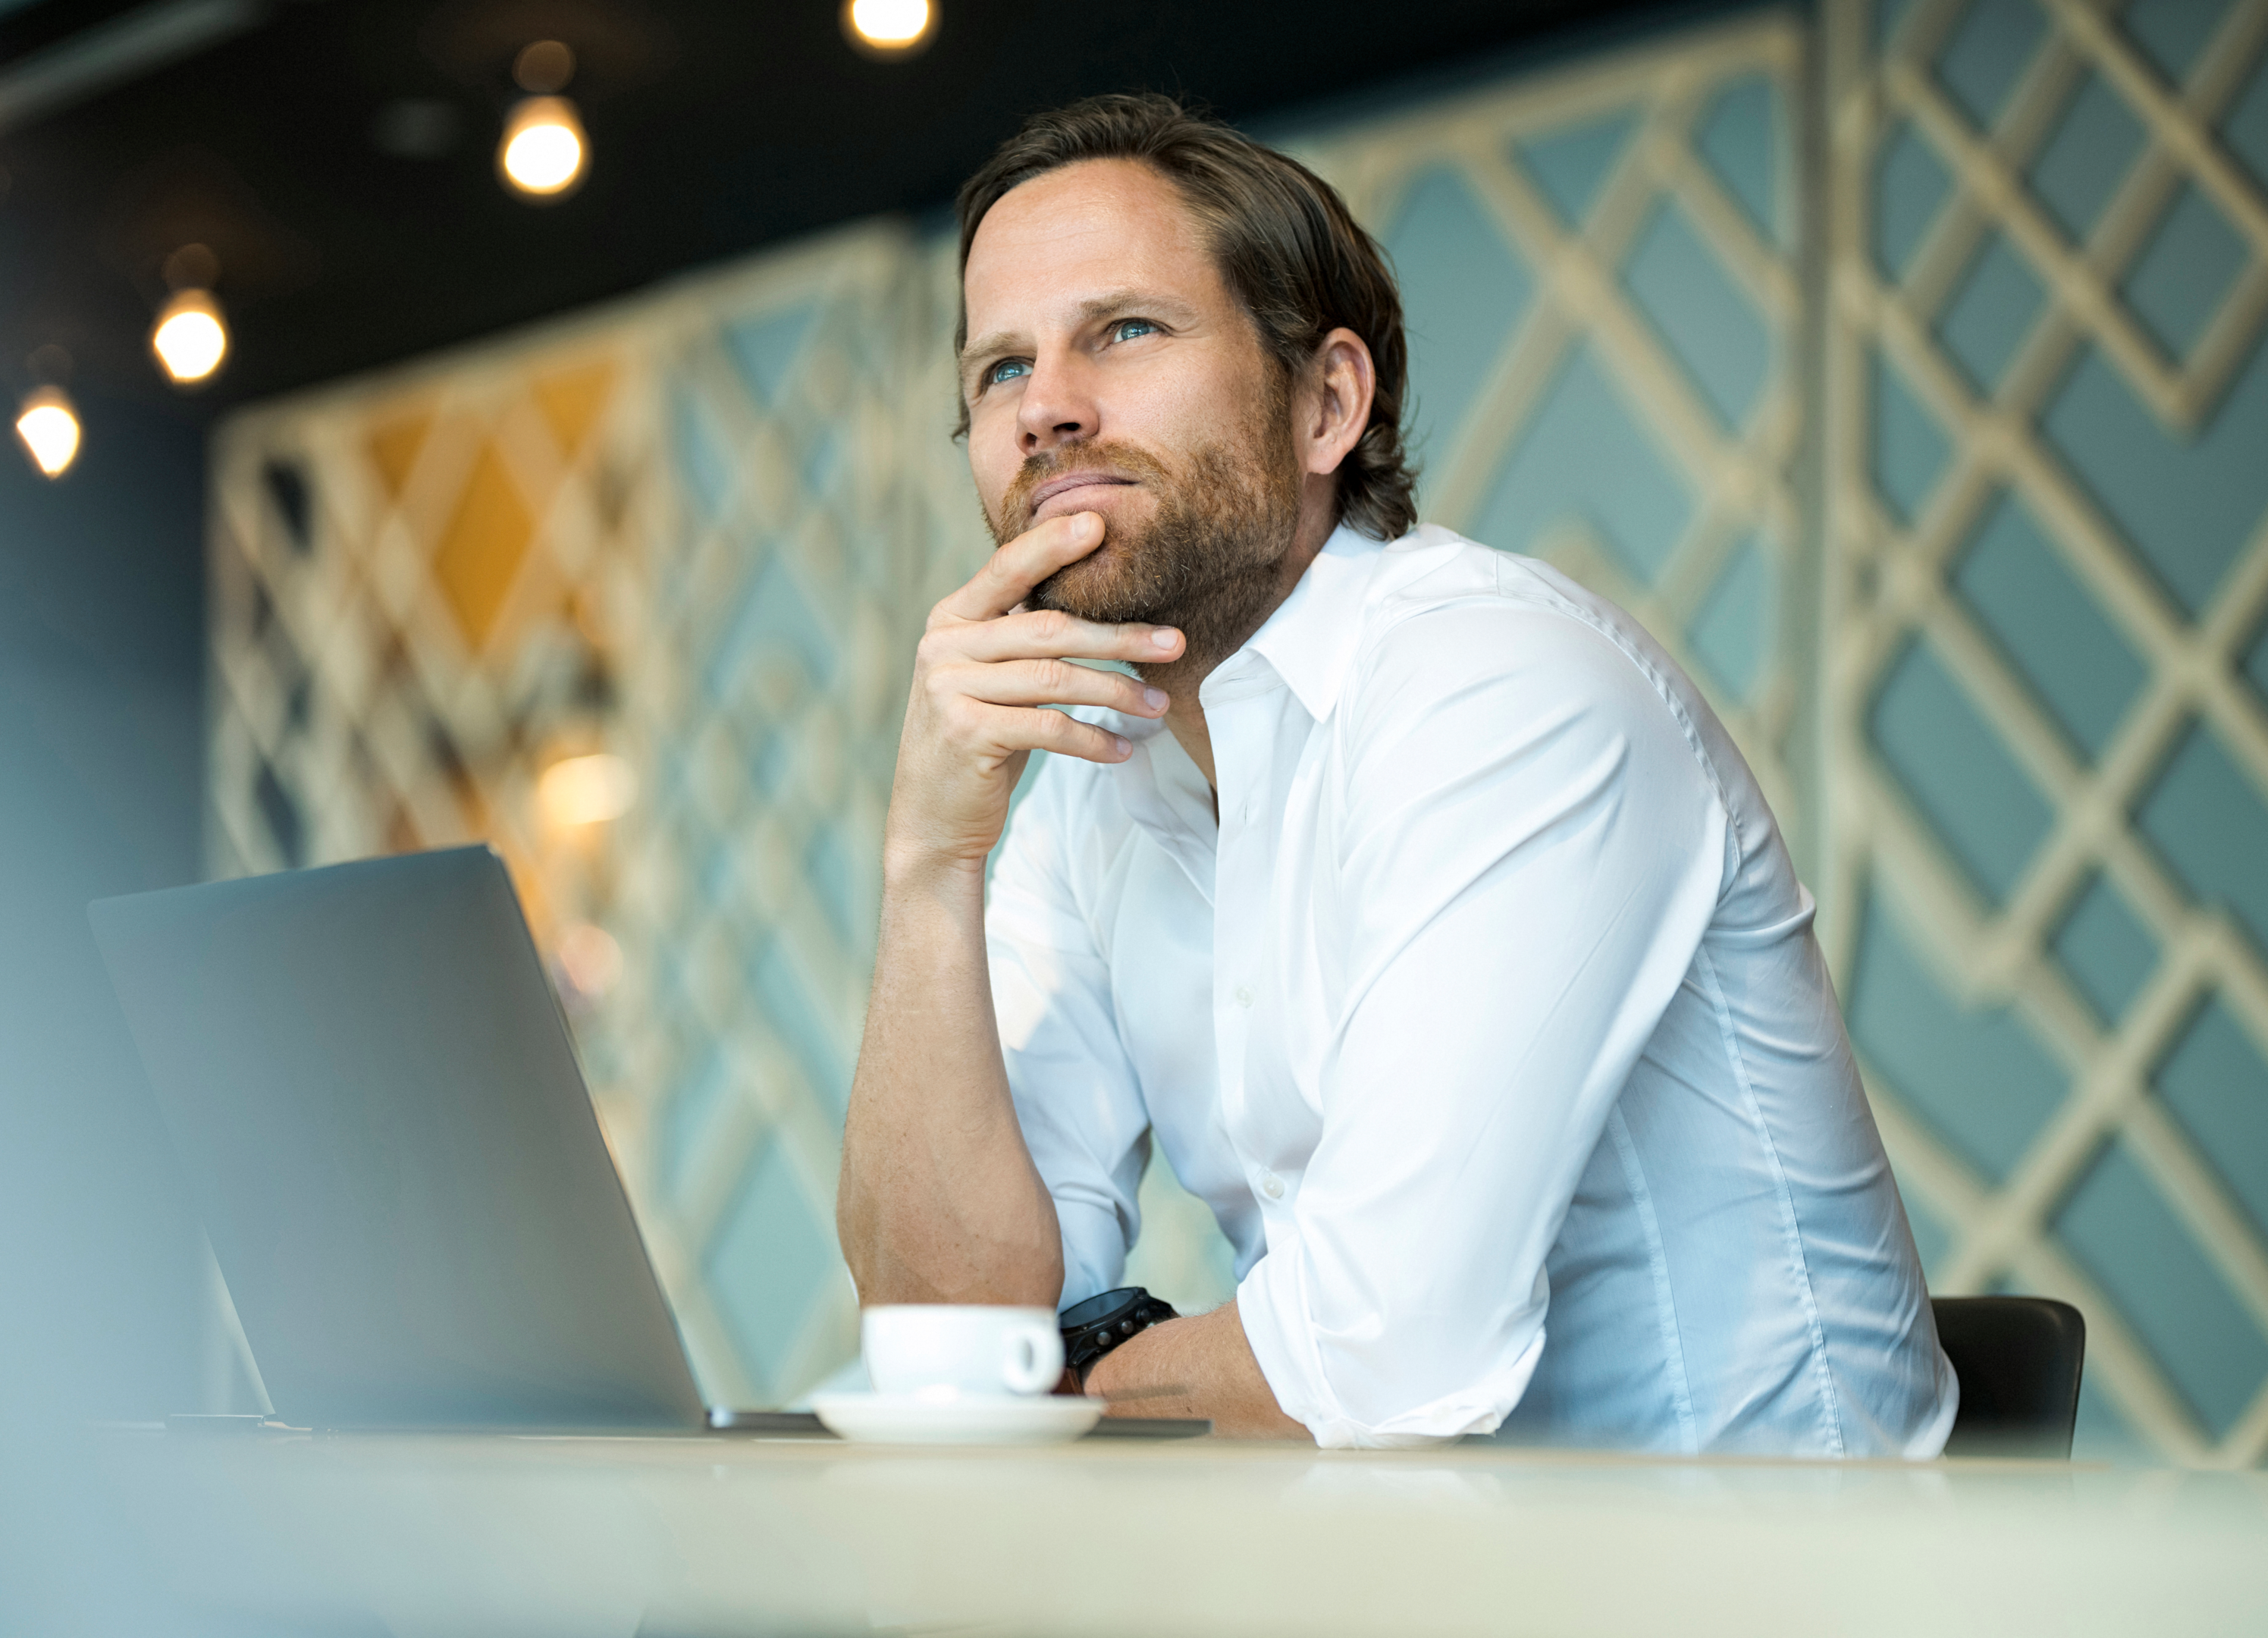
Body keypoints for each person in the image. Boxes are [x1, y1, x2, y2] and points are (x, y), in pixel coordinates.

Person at [835, 92, 1956, 1454]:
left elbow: (1377, 1358)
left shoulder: (1496, 689)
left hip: (1760, 1580)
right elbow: (944, 1334)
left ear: (1326, 404)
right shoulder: (1090, 771)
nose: (1045, 412)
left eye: (1122, 331)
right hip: (1420, 1569)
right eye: (998, 370)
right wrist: (928, 863)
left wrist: (1065, 1389)